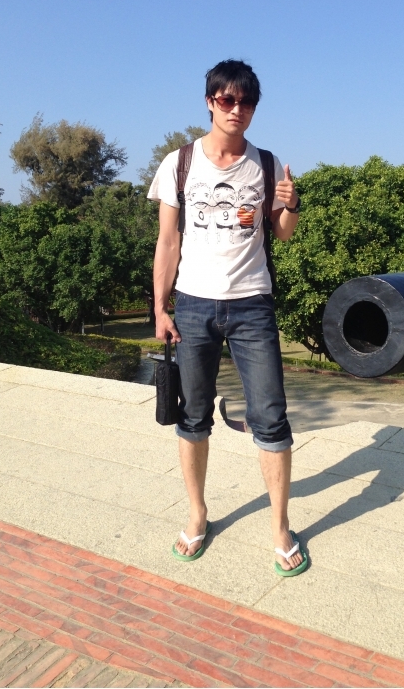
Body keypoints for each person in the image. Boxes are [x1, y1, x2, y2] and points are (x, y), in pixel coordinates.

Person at [148, 59, 306, 575]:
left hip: (252, 304)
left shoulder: (266, 164)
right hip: (193, 304)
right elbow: (167, 242)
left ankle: (280, 527)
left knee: (271, 416)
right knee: (192, 415)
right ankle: (197, 514)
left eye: (247, 102)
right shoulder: (179, 163)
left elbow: (282, 233)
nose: (237, 109)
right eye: (227, 100)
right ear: (210, 102)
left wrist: (290, 205)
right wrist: (160, 307)